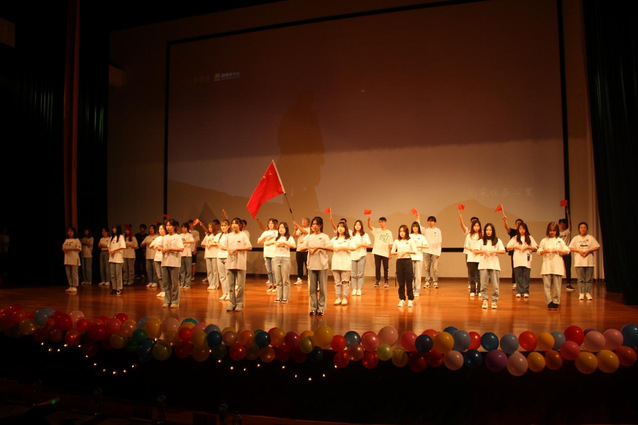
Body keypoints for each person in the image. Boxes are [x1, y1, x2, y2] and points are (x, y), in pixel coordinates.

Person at [300, 216, 332, 316]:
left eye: (316, 224)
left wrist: (319, 247)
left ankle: (321, 308)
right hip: (311, 265)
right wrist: (308, 248)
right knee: (312, 289)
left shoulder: (325, 236)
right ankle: (313, 308)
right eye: (313, 224)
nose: (314, 226)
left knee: (322, 289)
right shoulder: (309, 237)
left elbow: (331, 248)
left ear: (320, 225)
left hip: (322, 265)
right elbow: (301, 248)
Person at [538, 221, 570, 310]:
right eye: (550, 230)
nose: (552, 232)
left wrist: (558, 250)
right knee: (547, 285)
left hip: (557, 265)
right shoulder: (544, 240)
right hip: (547, 265)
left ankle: (556, 301)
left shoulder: (559, 241)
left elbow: (567, 251)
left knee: (557, 286)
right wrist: (545, 251)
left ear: (556, 231)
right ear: (548, 231)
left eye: (554, 230)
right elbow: (539, 251)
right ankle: (549, 301)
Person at [223, 217, 252, 312]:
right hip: (230, 263)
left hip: (240, 263)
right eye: (232, 223)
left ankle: (239, 303)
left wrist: (237, 249)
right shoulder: (228, 236)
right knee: (230, 285)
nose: (234, 225)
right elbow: (223, 246)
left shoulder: (243, 235)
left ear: (240, 225)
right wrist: (228, 249)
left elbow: (249, 247)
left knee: (240, 286)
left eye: (236, 223)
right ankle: (232, 303)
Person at [474, 223, 505, 309]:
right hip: (483, 265)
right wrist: (483, 251)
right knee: (483, 285)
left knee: (495, 286)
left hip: (494, 265)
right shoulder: (481, 241)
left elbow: (503, 251)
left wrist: (493, 251)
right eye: (487, 230)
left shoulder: (498, 241)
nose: (488, 232)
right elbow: (475, 251)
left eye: (490, 230)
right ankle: (485, 300)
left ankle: (494, 301)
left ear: (493, 231)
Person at [569, 221, 601, 300]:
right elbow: (570, 247)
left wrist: (589, 250)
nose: (583, 229)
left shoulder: (590, 238)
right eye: (581, 228)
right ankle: (581, 293)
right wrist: (578, 251)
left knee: (589, 279)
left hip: (589, 262)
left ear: (587, 229)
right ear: (579, 229)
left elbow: (597, 246)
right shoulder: (576, 238)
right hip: (579, 262)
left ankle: (588, 293)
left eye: (584, 227)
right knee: (580, 279)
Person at [506, 222, 538, 299]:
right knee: (518, 275)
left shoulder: (529, 237)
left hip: (526, 258)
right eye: (520, 229)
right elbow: (508, 247)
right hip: (517, 258)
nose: (522, 230)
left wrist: (527, 247)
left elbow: (536, 247)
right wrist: (516, 247)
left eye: (523, 228)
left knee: (526, 275)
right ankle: (519, 291)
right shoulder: (515, 238)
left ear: (526, 229)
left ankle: (526, 291)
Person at [391, 224, 418, 307]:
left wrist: (406, 252)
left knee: (409, 281)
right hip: (399, 261)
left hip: (408, 261)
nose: (402, 233)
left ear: (406, 232)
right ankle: (402, 299)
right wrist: (398, 253)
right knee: (401, 281)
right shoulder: (397, 241)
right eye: (400, 231)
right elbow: (392, 252)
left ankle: (410, 299)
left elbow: (415, 251)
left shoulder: (410, 240)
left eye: (403, 231)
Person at [160, 219, 184, 308]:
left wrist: (170, 249)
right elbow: (161, 247)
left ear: (174, 227)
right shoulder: (164, 237)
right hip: (165, 262)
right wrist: (162, 249)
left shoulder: (177, 237)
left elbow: (181, 248)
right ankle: (167, 300)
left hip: (174, 262)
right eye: (167, 225)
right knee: (166, 283)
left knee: (174, 283)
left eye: (170, 225)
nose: (168, 227)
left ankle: (175, 301)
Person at [270, 221, 295, 303]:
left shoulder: (289, 238)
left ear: (286, 229)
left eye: (283, 227)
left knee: (285, 279)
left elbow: (294, 246)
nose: (281, 229)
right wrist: (274, 242)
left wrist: (284, 242)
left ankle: (285, 297)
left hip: (285, 259)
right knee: (278, 280)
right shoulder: (276, 238)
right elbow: (267, 243)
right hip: (276, 259)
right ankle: (279, 297)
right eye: (280, 227)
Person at [331, 221, 354, 306]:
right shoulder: (334, 239)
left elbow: (353, 248)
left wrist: (342, 247)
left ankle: (345, 298)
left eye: (342, 227)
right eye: (339, 227)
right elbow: (329, 247)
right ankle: (338, 297)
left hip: (345, 263)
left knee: (345, 282)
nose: (340, 228)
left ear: (345, 228)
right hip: (336, 262)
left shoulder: (349, 239)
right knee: (337, 282)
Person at [367, 215, 392, 288]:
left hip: (385, 252)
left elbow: (390, 244)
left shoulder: (389, 232)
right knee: (377, 267)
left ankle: (386, 281)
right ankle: (377, 281)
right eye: (380, 222)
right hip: (377, 251)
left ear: (385, 222)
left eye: (382, 222)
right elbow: (369, 227)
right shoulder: (377, 230)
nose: (381, 223)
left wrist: (390, 253)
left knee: (386, 268)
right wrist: (368, 221)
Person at [350, 219, 372, 296]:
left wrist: (362, 245)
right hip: (352, 256)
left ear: (361, 226)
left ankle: (359, 289)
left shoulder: (365, 235)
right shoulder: (351, 235)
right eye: (356, 225)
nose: (357, 226)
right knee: (353, 274)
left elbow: (370, 245)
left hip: (362, 256)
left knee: (360, 273)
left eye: (359, 225)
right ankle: (354, 289)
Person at [257, 217, 279, 293]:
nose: (270, 224)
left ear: (275, 224)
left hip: (274, 253)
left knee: (273, 270)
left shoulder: (277, 232)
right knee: (269, 271)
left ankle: (275, 285)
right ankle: (271, 284)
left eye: (272, 223)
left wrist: (271, 238)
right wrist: (264, 238)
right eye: (269, 223)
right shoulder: (265, 232)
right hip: (267, 253)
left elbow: (277, 240)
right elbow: (258, 242)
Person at [502, 214, 523, 290]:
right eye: (517, 224)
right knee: (514, 267)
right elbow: (507, 228)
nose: (518, 225)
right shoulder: (513, 232)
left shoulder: (525, 233)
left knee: (522, 268)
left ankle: (522, 283)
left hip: (523, 253)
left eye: (520, 224)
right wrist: (505, 220)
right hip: (514, 252)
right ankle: (514, 283)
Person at [422, 215, 442, 289]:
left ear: (434, 222)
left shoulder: (438, 230)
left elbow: (439, 241)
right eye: (429, 221)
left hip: (435, 251)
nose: (430, 222)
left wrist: (438, 252)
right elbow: (419, 228)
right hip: (426, 251)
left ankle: (435, 281)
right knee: (426, 267)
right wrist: (418, 218)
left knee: (435, 268)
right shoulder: (425, 230)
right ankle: (427, 281)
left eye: (432, 221)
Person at [463, 219, 482, 297]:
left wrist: (479, 251)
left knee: (480, 274)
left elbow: (484, 245)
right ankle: (472, 290)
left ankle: (480, 290)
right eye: (475, 226)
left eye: (478, 226)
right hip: (471, 257)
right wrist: (472, 250)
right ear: (472, 227)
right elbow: (466, 246)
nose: (476, 227)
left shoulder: (482, 235)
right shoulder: (469, 235)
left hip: (480, 257)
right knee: (471, 275)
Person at [409, 220, 428, 297]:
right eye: (413, 227)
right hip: (410, 257)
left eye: (416, 227)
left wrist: (419, 246)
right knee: (411, 275)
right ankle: (412, 290)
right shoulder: (409, 236)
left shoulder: (421, 236)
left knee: (418, 275)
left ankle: (417, 290)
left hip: (419, 257)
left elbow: (427, 246)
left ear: (418, 228)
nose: (415, 228)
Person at [201, 220, 221, 290]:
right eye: (209, 227)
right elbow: (202, 243)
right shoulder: (207, 235)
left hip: (214, 254)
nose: (209, 229)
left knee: (215, 270)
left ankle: (215, 284)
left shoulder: (217, 235)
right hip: (208, 254)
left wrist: (211, 244)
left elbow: (218, 243)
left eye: (211, 227)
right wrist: (206, 244)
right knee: (209, 270)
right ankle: (211, 284)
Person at [108, 225, 126, 295]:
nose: (113, 230)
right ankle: (114, 288)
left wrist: (114, 251)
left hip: (118, 258)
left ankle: (119, 288)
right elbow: (108, 246)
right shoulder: (111, 237)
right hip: (112, 258)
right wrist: (110, 251)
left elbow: (122, 246)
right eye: (113, 228)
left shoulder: (121, 237)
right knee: (112, 274)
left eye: (115, 228)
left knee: (118, 274)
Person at [62, 227, 82, 293]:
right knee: (68, 273)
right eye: (68, 231)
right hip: (67, 258)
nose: (69, 233)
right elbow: (63, 247)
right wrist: (64, 250)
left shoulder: (76, 240)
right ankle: (70, 285)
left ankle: (75, 286)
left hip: (74, 258)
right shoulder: (66, 240)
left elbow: (79, 248)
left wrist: (70, 249)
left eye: (71, 231)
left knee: (74, 272)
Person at [559, 207, 574, 291]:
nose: (562, 225)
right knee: (558, 268)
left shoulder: (567, 232)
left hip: (567, 252)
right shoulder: (557, 233)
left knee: (568, 268)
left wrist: (568, 214)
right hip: (559, 253)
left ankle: (568, 284)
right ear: (559, 225)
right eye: (561, 224)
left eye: (564, 224)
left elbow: (570, 226)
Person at [149, 223, 165, 298]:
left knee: (164, 276)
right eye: (159, 229)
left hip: (164, 259)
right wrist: (154, 246)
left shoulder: (166, 238)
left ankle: (166, 290)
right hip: (157, 258)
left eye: (162, 229)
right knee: (159, 276)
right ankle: (162, 290)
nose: (160, 230)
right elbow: (150, 245)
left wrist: (158, 247)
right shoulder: (157, 238)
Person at [293, 217, 310, 285]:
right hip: (299, 250)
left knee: (307, 265)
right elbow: (294, 236)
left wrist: (297, 225)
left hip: (306, 250)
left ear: (308, 223)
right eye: (302, 221)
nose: (303, 222)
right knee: (299, 265)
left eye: (304, 221)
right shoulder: (299, 229)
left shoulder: (309, 229)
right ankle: (299, 279)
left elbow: (305, 232)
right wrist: (295, 229)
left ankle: (309, 278)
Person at [216, 219, 230, 301]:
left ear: (228, 226)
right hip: (219, 256)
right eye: (222, 226)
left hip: (227, 256)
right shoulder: (219, 235)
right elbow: (214, 241)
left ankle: (229, 293)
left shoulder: (230, 235)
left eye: (225, 225)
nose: (223, 227)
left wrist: (225, 248)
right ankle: (224, 293)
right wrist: (217, 244)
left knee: (228, 276)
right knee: (222, 276)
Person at [141, 224, 159, 288]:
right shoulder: (147, 237)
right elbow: (141, 244)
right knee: (148, 270)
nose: (151, 230)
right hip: (148, 256)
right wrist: (146, 243)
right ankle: (150, 281)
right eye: (150, 228)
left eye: (152, 228)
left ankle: (155, 282)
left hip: (154, 255)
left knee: (155, 270)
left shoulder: (157, 237)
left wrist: (152, 243)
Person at [179, 222, 195, 288]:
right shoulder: (180, 235)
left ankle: (187, 283)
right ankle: (182, 283)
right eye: (182, 227)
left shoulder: (190, 235)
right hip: (181, 254)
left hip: (188, 254)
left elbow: (192, 241)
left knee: (188, 270)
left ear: (187, 228)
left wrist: (185, 242)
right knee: (182, 270)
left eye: (185, 227)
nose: (183, 229)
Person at [188, 219, 200, 285]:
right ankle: (188, 275)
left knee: (193, 263)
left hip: (193, 249)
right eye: (189, 224)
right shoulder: (187, 232)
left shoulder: (196, 232)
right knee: (188, 264)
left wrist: (195, 249)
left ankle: (193, 275)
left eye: (191, 224)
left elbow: (197, 241)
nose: (190, 225)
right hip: (187, 250)